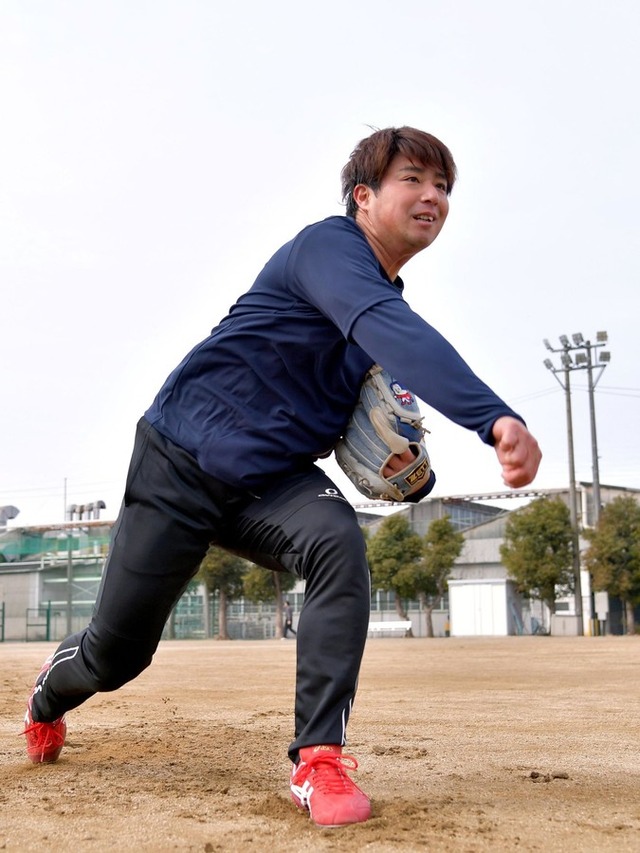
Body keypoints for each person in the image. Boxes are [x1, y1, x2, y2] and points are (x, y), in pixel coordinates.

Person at [23, 126, 541, 828]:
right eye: (414, 178)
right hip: (179, 461)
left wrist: (406, 474)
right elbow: (392, 329)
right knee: (115, 656)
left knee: (337, 542)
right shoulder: (328, 251)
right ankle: (47, 697)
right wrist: (494, 418)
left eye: (444, 186)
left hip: (270, 483)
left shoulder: (378, 321)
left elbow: (385, 365)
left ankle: (318, 759)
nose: (433, 196)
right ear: (363, 197)